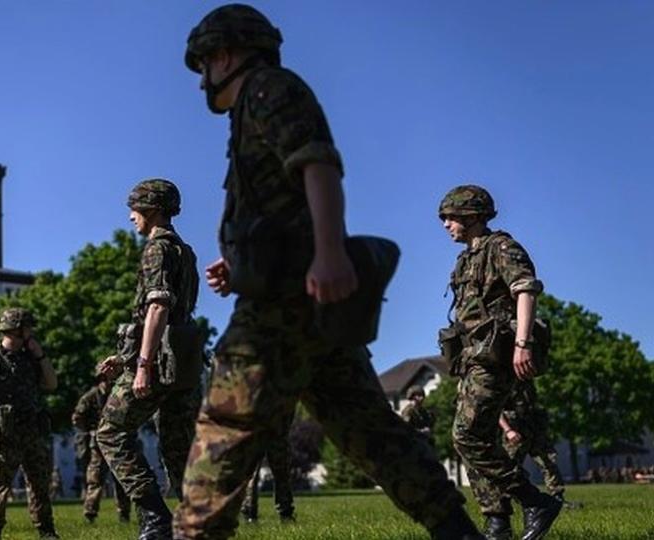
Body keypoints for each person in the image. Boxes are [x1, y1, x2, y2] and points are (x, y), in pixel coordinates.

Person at [173, 5, 482, 539]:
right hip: (309, 307)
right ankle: (457, 530)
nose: (203, 79)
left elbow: (317, 164)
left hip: (282, 307)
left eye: (204, 64)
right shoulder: (253, 103)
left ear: (223, 54)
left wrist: (330, 252)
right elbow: (280, 203)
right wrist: (241, 263)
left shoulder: (268, 88)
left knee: (222, 431)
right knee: (372, 432)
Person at [439, 184, 562, 540]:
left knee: (466, 437)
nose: (447, 224)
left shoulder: (501, 247)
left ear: (473, 215)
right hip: (473, 359)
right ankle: (497, 521)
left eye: (451, 216)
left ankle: (535, 501)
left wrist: (522, 343)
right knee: (477, 439)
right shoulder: (465, 259)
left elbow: (525, 289)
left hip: (495, 357)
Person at [95, 178, 203, 539]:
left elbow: (158, 306)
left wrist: (141, 366)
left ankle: (155, 517)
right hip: (184, 365)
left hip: (157, 363)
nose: (131, 216)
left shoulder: (157, 249)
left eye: (135, 208)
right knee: (177, 450)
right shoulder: (185, 251)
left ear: (153, 208)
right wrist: (125, 358)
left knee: (110, 432)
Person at [0, 307, 60, 540]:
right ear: (16, 330)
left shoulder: (31, 358)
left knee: (40, 483)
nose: (31, 333)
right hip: (4, 436)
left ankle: (46, 531)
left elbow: (51, 384)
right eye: (27, 329)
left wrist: (40, 355)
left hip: (33, 432)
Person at [73, 378, 131, 523]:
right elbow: (77, 418)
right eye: (104, 379)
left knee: (121, 478)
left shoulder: (117, 393)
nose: (108, 382)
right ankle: (90, 512)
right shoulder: (90, 397)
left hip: (117, 441)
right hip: (98, 445)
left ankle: (124, 512)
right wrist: (89, 431)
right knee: (95, 478)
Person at [499, 382, 565, 501]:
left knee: (548, 460)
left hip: (533, 425)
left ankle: (557, 497)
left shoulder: (526, 378)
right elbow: (496, 409)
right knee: (510, 467)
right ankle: (506, 500)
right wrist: (508, 430)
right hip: (515, 429)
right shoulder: (502, 378)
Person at [240, 412, 295, 524]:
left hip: (259, 425)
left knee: (255, 472)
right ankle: (285, 513)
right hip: (275, 425)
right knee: (281, 472)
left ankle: (250, 513)